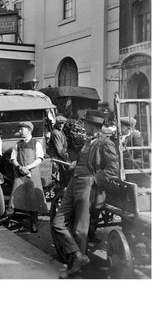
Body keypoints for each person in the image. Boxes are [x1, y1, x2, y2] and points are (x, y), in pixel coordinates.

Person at [51, 109, 119, 278]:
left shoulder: (105, 143)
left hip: (87, 185)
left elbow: (112, 169)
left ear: (92, 125)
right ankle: (77, 256)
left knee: (80, 230)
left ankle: (76, 268)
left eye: (85, 123)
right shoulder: (88, 141)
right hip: (75, 181)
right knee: (57, 223)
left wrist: (93, 180)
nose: (83, 126)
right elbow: (85, 161)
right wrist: (76, 163)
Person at [9, 121, 47, 233]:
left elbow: (39, 159)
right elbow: (13, 158)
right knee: (16, 196)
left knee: (33, 198)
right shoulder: (18, 144)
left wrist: (28, 167)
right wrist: (19, 167)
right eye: (20, 129)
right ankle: (16, 221)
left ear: (29, 130)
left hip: (32, 174)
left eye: (22, 129)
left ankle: (34, 222)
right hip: (20, 174)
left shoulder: (36, 143)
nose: (20, 131)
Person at [48, 115, 70, 188]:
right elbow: (59, 150)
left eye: (63, 123)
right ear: (56, 123)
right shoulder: (55, 133)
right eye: (59, 123)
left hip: (61, 158)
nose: (61, 125)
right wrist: (67, 160)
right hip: (57, 159)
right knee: (59, 180)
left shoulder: (60, 132)